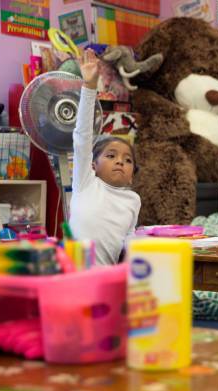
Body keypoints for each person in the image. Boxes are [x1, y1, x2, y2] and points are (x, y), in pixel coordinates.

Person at [69, 49, 141, 265]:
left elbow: (128, 243)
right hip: (73, 279)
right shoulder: (85, 182)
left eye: (128, 160)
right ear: (93, 165)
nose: (120, 161)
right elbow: (82, 137)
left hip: (106, 281)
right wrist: (90, 86)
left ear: (131, 177)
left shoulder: (133, 200)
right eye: (111, 155)